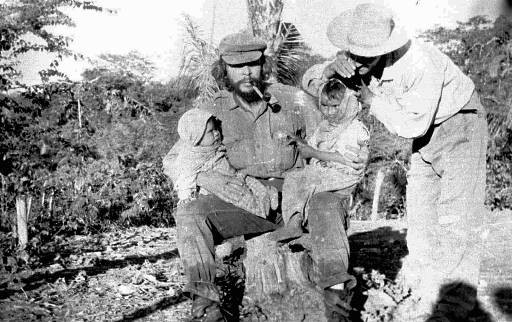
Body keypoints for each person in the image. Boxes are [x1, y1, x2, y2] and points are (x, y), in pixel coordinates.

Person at [163, 31, 369, 321]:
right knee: (190, 214)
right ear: (224, 70)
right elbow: (174, 159)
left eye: (254, 64)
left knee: (328, 206)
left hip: (298, 201)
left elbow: (332, 130)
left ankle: (338, 309)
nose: (247, 73)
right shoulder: (212, 111)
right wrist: (206, 178)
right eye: (237, 67)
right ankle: (206, 310)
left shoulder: (291, 99)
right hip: (247, 203)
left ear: (264, 65)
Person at [302, 3, 488, 321]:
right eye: (353, 54)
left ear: (384, 48)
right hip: (426, 133)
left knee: (458, 219)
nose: (358, 63)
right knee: (421, 221)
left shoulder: (419, 63)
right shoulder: (353, 64)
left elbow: (413, 125)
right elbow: (309, 85)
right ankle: (430, 296)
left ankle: (454, 308)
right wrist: (331, 69)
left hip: (461, 122)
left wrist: (372, 102)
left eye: (365, 56)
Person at [275, 79, 370, 242]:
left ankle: (295, 222)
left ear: (347, 104)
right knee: (294, 177)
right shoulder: (325, 126)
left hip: (344, 174)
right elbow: (312, 147)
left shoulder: (355, 128)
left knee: (306, 180)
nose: (330, 112)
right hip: (327, 171)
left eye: (335, 106)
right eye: (325, 106)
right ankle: (295, 220)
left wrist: (314, 153)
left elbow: (345, 159)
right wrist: (298, 140)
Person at [172, 108, 278, 218]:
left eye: (216, 129)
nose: (217, 133)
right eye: (210, 132)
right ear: (197, 138)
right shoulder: (191, 157)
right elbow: (185, 177)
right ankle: (262, 207)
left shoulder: (215, 148)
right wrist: (186, 196)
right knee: (242, 197)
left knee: (250, 184)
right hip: (219, 190)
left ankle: (266, 195)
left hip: (233, 177)